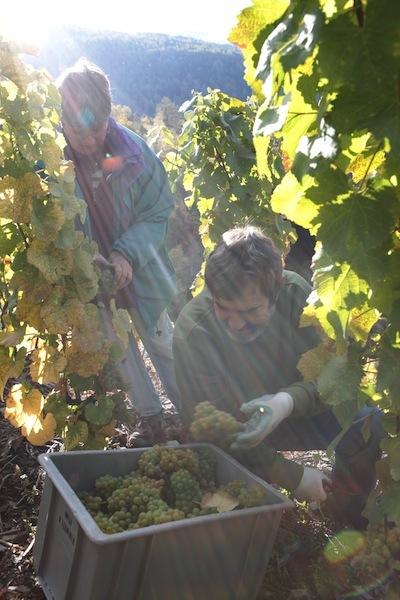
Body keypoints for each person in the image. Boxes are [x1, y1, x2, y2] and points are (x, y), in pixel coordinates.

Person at [173, 225, 383, 528]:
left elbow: (331, 378)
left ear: (278, 288)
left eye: (250, 311)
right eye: (222, 307)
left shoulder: (296, 294)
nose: (235, 323)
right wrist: (291, 475)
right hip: (236, 433)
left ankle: (343, 517)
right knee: (223, 502)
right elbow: (209, 427)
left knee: (367, 422)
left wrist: (286, 402)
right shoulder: (194, 331)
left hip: (295, 415)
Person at [57, 59, 180, 444]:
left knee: (162, 341)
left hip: (142, 272)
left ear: (109, 116)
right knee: (120, 347)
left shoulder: (136, 154)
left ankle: (191, 410)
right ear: (62, 120)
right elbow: (51, 225)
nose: (89, 141)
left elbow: (156, 213)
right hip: (90, 277)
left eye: (96, 129)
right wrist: (82, 255)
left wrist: (126, 253)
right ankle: (151, 418)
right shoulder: (51, 159)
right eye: (78, 132)